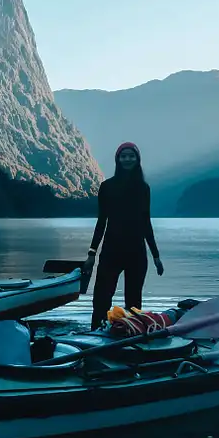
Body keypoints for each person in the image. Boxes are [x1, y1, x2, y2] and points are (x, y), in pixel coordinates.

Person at [83, 141, 164, 329]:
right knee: (101, 298)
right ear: (118, 159)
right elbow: (101, 221)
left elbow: (146, 222)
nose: (127, 159)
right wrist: (91, 253)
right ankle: (96, 331)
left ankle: (131, 335)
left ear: (137, 159)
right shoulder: (107, 187)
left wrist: (156, 256)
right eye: (123, 156)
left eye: (131, 155)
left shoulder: (143, 188)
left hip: (136, 252)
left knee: (134, 302)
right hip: (111, 250)